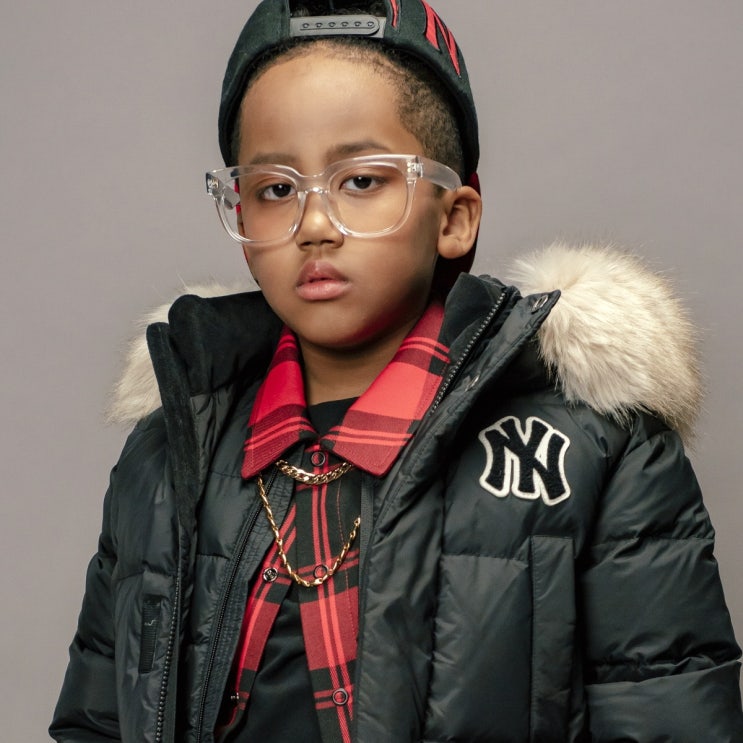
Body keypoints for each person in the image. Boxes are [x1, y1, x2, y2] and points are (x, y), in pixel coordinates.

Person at [50, 1, 743, 741]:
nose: (315, 225)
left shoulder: (592, 453)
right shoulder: (169, 454)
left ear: (454, 218)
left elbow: (669, 720)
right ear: (242, 218)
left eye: (361, 180)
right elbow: (97, 720)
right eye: (276, 189)